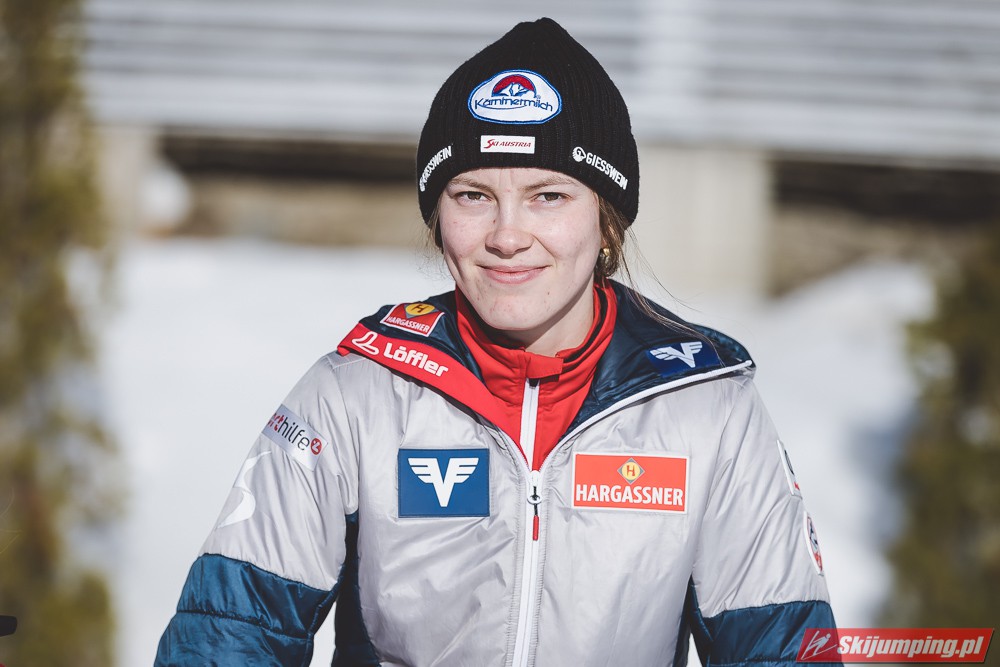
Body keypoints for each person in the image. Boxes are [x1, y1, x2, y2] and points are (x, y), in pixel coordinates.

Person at [155, 17, 836, 666]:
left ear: (607, 220)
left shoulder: (708, 409)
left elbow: (778, 647)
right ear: (436, 215)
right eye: (473, 195)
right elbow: (226, 636)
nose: (507, 236)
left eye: (548, 196)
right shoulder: (353, 393)